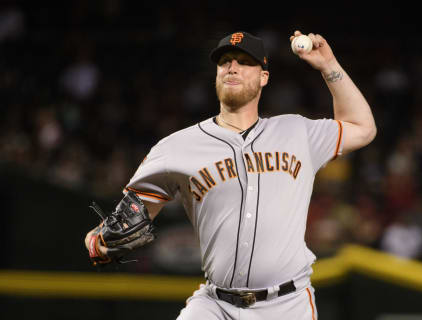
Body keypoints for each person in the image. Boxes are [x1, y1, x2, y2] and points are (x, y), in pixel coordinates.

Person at [85, 30, 376, 320]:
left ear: (264, 77)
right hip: (216, 305)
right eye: (224, 61)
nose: (232, 67)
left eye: (243, 61)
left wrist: (329, 65)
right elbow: (128, 217)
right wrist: (98, 241)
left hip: (288, 305)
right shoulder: (176, 147)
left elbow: (362, 127)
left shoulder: (298, 132)